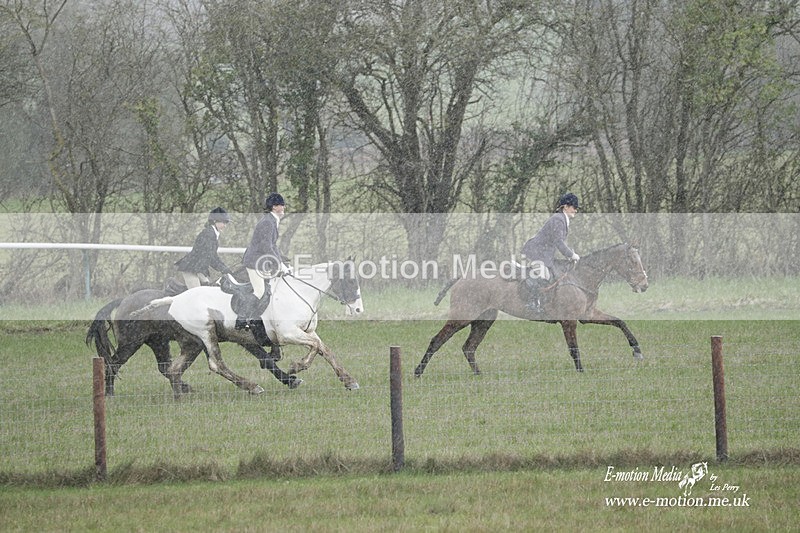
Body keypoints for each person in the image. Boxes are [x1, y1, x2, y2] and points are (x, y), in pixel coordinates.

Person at [237, 192, 291, 345]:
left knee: (270, 289)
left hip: (261, 261)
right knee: (259, 291)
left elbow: (272, 246)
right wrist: (278, 264)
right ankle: (242, 318)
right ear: (275, 207)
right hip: (254, 261)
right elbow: (266, 246)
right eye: (282, 204)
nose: (284, 207)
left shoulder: (272, 220)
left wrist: (282, 260)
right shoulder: (268, 222)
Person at [520, 192, 581, 313]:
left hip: (544, 254)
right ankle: (532, 304)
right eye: (574, 207)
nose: (576, 210)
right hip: (536, 253)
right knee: (544, 276)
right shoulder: (558, 220)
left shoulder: (561, 219)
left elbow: (556, 243)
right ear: (566, 207)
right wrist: (571, 255)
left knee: (554, 274)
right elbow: (559, 242)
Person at [174, 207, 232, 290]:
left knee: (208, 287)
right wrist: (223, 269)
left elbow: (212, 256)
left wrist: (224, 268)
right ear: (215, 221)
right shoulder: (208, 234)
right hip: (190, 268)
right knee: (197, 294)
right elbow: (211, 257)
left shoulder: (213, 234)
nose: (225, 226)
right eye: (223, 222)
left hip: (198, 268)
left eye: (226, 223)